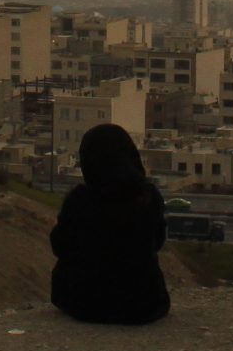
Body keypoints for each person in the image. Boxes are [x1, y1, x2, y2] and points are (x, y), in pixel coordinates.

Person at [50, 123, 170, 325]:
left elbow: (60, 245)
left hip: (85, 304)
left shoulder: (79, 202)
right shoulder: (148, 198)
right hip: (144, 305)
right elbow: (157, 241)